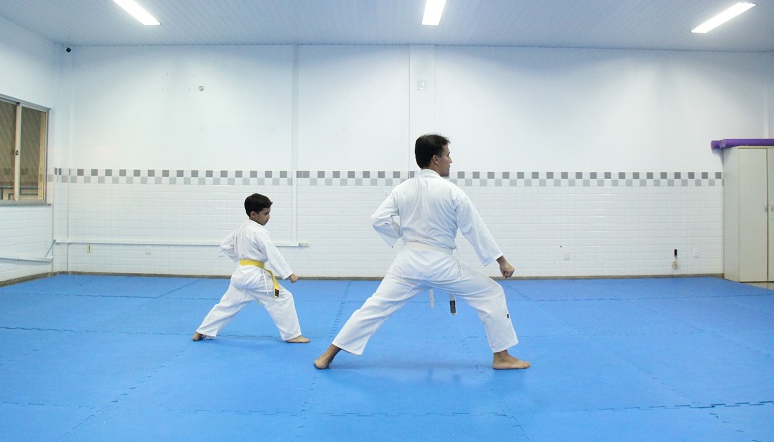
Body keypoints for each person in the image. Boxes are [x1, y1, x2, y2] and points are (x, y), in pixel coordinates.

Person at [314, 134, 529, 370]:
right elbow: (475, 229)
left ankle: (327, 355)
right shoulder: (452, 192)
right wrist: (501, 261)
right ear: (436, 159)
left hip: (407, 264)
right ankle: (502, 357)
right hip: (442, 265)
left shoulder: (402, 189)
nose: (451, 160)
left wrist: (400, 234)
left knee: (374, 307)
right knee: (492, 293)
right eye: (448, 155)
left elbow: (378, 219)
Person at [192, 193, 309, 344]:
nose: (269, 217)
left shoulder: (241, 227)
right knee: (283, 298)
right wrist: (288, 273)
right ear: (253, 214)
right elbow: (272, 252)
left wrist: (241, 258)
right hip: (255, 277)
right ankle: (292, 335)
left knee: (227, 305)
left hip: (241, 274)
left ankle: (203, 330)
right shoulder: (258, 231)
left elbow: (225, 245)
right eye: (265, 213)